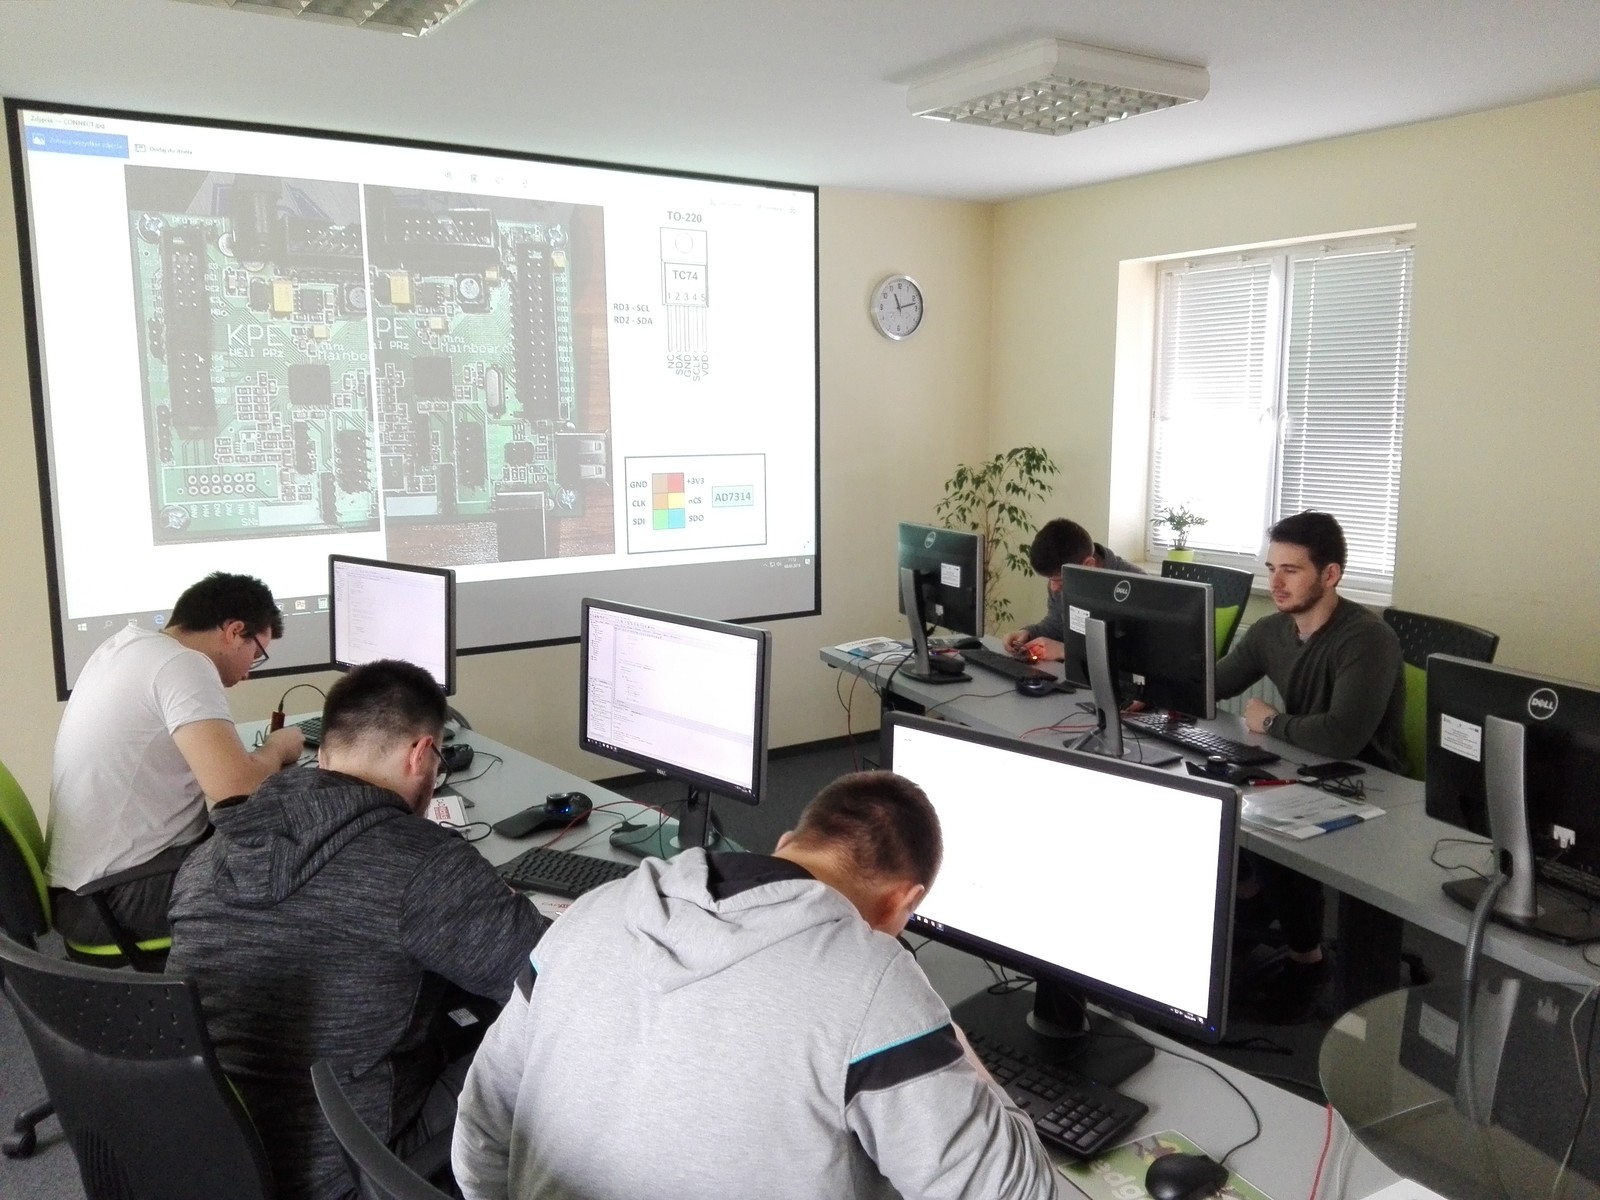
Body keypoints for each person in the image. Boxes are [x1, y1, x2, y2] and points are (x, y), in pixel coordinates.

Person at [451, 771, 1062, 1200]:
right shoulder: (873, 984)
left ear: (787, 845)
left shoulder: (592, 911)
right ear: (903, 901)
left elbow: (479, 1135)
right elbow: (1016, 1192)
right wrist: (931, 1017)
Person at [167, 659, 545, 1200]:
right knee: (538, 1037)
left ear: (324, 754)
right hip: (349, 1163)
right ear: (421, 754)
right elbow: (552, 978)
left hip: (209, 1151)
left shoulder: (210, 853)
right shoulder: (421, 864)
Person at [1214, 510, 1406, 1023]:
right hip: (1303, 766)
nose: (1275, 583)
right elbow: (1214, 682)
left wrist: (1272, 721)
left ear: (1330, 574)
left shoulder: (1367, 639)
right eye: (1271, 568)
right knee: (1216, 789)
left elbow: (1343, 737)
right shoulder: (1272, 631)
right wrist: (1147, 681)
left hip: (1368, 785)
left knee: (1268, 821)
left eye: (1291, 570)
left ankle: (1307, 960)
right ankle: (1251, 897)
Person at [47, 571, 304, 945]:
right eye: (256, 654)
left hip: (85, 891)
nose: (249, 672)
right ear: (234, 631)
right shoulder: (183, 664)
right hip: (115, 898)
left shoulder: (125, 648)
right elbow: (237, 788)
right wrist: (278, 747)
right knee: (306, 871)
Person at [1003, 517, 1144, 662]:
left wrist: (1065, 650)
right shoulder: (1061, 580)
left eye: (1058, 580)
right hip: (1071, 671)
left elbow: (1139, 654)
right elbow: (1056, 626)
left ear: (1088, 565)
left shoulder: (1137, 584)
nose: (1053, 587)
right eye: (1050, 580)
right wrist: (1028, 633)